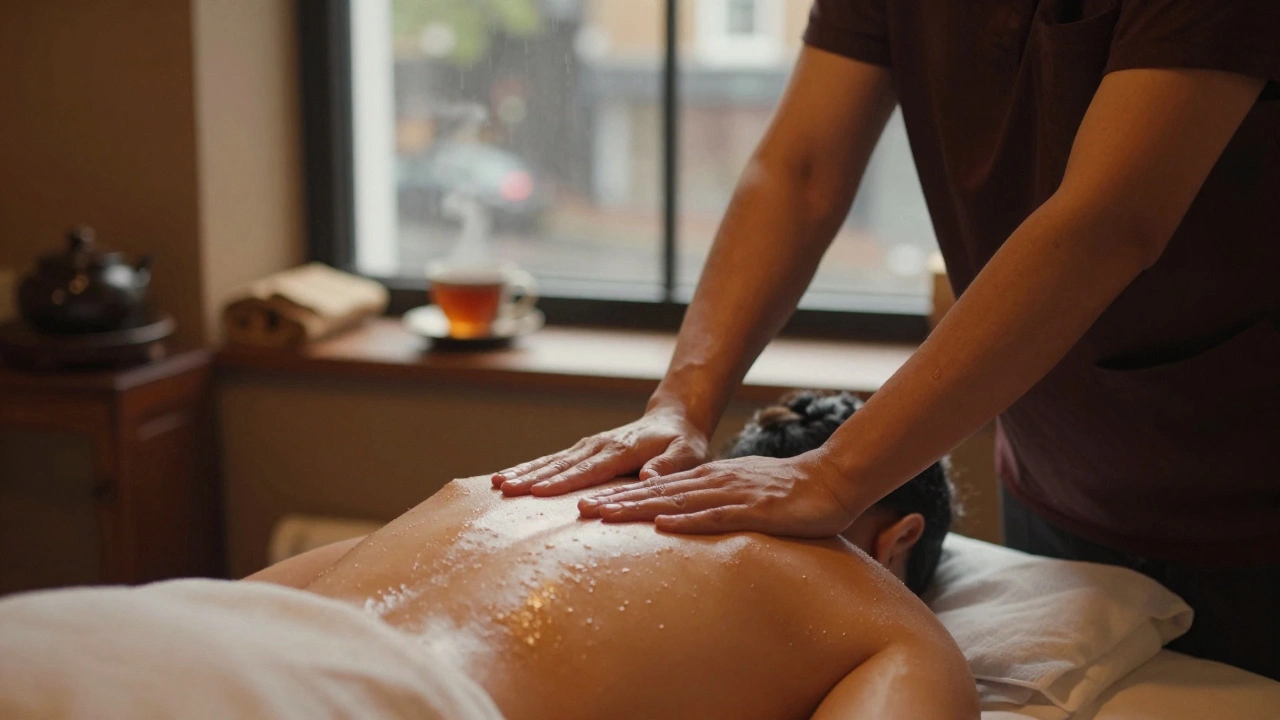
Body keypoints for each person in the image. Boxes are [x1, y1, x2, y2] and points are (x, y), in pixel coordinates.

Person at [491, 0, 1280, 680]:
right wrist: (680, 406)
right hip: (1057, 462)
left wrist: (837, 477)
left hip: (1247, 492)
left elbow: (1109, 220)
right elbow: (801, 170)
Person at [237, 391, 973, 719]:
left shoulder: (522, 491)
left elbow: (242, 608)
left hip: (187, 661)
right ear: (900, 539)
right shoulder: (885, 618)